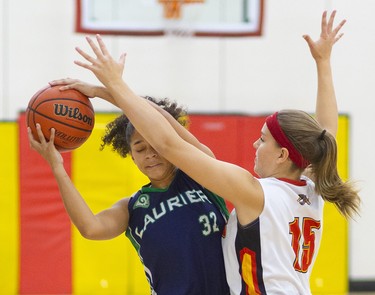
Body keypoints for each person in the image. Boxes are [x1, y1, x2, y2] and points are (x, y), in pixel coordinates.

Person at [69, 10, 360, 295]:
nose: (255, 146)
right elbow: (325, 131)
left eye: (262, 140)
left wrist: (116, 86)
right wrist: (323, 62)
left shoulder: (254, 192)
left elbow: (169, 144)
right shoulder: (310, 186)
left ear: (283, 155)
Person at [28, 92, 230, 293]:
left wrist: (102, 91)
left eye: (156, 146)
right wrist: (57, 167)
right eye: (140, 149)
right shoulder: (133, 207)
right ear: (132, 157)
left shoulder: (202, 176)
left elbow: (164, 123)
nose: (150, 155)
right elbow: (90, 228)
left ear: (170, 144)